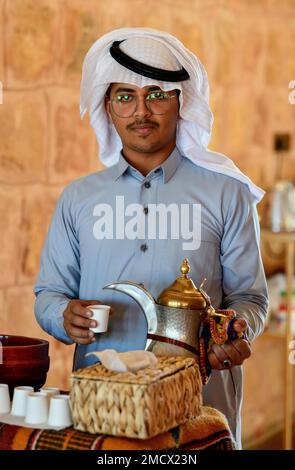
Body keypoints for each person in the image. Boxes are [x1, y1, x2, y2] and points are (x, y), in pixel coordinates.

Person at [34, 28, 268, 448]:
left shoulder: (226, 193)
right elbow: (49, 294)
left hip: (199, 409)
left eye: (157, 94)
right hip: (106, 410)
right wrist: (61, 316)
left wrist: (235, 333)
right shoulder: (79, 198)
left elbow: (251, 299)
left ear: (182, 102)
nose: (141, 110)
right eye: (125, 96)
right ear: (108, 107)